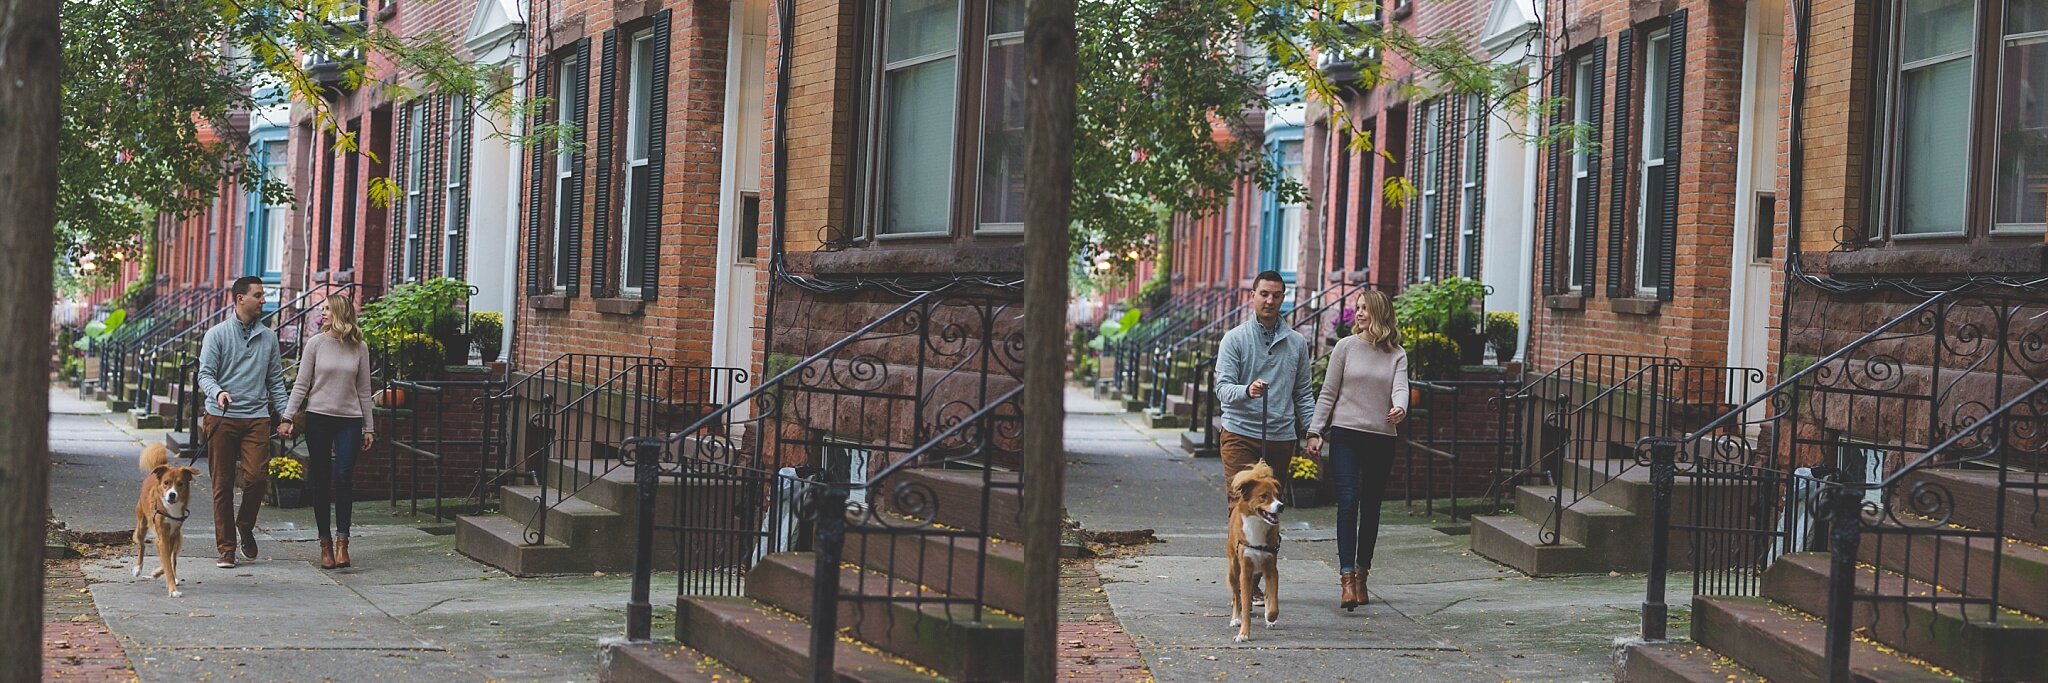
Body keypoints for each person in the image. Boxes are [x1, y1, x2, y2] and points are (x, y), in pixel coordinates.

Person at [1213, 270, 1316, 606]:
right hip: (1240, 432)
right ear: (1252, 296)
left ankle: (1257, 577)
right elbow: (1222, 389)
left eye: (1277, 295)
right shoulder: (1235, 340)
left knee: (1270, 511)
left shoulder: (1297, 343)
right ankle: (1244, 583)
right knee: (1242, 506)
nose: (1270, 301)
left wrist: (1313, 430)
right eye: (1264, 294)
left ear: (1283, 298)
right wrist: (1247, 390)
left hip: (1280, 436)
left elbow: (1303, 393)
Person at [1305, 289, 1409, 610]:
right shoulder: (1345, 347)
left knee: (1372, 505)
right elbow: (1328, 392)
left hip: (1381, 437)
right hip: (1346, 434)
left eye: (1365, 308)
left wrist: (1400, 408)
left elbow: (1401, 387)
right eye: (1357, 307)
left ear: (1379, 313)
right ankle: (1347, 578)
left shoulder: (1396, 354)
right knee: (1348, 501)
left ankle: (1363, 574)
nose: (1359, 313)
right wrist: (1315, 429)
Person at [197, 276, 290, 569]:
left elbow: (275, 381)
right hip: (221, 416)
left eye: (263, 295)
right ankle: (226, 548)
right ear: (240, 299)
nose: (264, 300)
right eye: (258, 295)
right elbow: (205, 375)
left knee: (257, 478)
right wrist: (219, 392)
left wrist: (286, 415)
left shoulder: (269, 338)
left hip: (257, 418)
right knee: (222, 485)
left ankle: (245, 525)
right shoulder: (217, 335)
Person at [280, 294, 375, 570]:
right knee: (321, 479)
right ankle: (324, 544)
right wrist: (288, 416)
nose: (322, 314)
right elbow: (301, 384)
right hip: (318, 417)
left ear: (339, 313)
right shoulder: (316, 344)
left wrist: (369, 427)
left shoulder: (360, 348)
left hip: (350, 419)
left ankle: (342, 541)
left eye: (326, 309)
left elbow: (364, 390)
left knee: (344, 476)